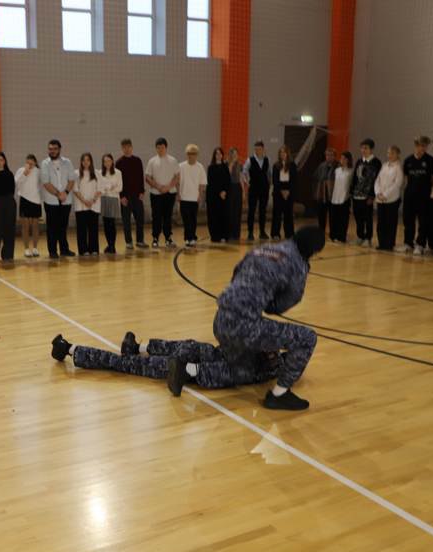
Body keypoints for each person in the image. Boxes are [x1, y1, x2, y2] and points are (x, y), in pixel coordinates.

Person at [212, 226, 325, 410]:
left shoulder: (265, 248)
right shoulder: (298, 263)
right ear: (313, 251)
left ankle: (187, 369)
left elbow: (237, 273)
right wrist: (266, 303)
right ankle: (279, 395)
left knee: (244, 371)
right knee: (307, 338)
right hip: (244, 327)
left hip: (221, 319)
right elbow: (285, 302)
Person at [51, 331, 281, 396]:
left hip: (186, 369)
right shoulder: (269, 358)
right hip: (207, 354)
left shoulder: (252, 369)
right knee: (186, 345)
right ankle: (138, 347)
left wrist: (186, 371)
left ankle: (69, 349)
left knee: (124, 363)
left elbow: (218, 374)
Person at [40, 139, 76, 258]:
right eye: (50, 149)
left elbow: (71, 179)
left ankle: (64, 250)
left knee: (63, 227)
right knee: (52, 228)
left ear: (59, 149)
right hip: (51, 201)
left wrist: (65, 192)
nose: (52, 151)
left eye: (55, 149)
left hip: (66, 199)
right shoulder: (44, 164)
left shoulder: (68, 162)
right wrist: (58, 194)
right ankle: (53, 251)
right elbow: (46, 182)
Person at [402, 136, 433, 255]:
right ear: (416, 145)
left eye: (425, 146)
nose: (423, 148)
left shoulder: (431, 161)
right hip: (409, 195)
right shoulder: (408, 160)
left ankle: (420, 244)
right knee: (408, 220)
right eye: (421, 146)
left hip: (424, 196)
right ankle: (408, 243)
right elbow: (406, 178)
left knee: (423, 221)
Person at [145, 137, 180, 248]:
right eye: (158, 147)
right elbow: (147, 177)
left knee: (168, 216)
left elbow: (177, 177)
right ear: (156, 148)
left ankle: (168, 238)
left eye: (162, 147)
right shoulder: (152, 161)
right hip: (156, 194)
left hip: (170, 193)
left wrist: (168, 187)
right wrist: (158, 186)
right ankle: (155, 238)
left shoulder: (173, 160)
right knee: (156, 216)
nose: (160, 149)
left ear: (166, 147)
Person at [115, 138, 147, 249]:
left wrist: (142, 191)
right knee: (126, 221)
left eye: (128, 147)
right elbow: (117, 181)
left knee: (140, 219)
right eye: (124, 147)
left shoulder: (137, 160)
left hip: (137, 196)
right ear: (122, 148)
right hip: (125, 197)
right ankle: (128, 242)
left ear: (131, 147)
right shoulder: (119, 163)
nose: (126, 149)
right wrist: (121, 196)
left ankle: (140, 241)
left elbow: (141, 177)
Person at [350, 138, 381, 246]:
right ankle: (360, 236)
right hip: (357, 194)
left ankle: (368, 238)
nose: (363, 150)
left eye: (366, 148)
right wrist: (352, 191)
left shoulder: (376, 162)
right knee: (358, 217)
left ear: (371, 149)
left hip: (367, 196)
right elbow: (355, 177)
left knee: (367, 217)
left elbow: (377, 180)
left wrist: (372, 195)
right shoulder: (359, 161)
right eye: (362, 148)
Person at [374, 145, 404, 251]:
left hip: (392, 200)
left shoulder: (398, 167)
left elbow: (397, 184)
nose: (389, 155)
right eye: (388, 153)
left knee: (390, 223)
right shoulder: (384, 165)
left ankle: (389, 244)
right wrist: (378, 193)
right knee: (381, 223)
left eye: (392, 153)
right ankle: (381, 243)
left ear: (397, 154)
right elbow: (377, 180)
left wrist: (385, 195)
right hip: (380, 199)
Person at [178, 144, 207, 247]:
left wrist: (200, 195)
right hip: (183, 197)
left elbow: (202, 183)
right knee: (186, 219)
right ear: (186, 154)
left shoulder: (200, 167)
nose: (191, 155)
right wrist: (178, 194)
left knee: (193, 219)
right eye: (189, 153)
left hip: (194, 198)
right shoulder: (181, 166)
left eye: (193, 153)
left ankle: (193, 237)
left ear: (197, 155)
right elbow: (177, 182)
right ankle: (187, 238)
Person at [73, 152, 101, 256]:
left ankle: (94, 249)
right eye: (84, 160)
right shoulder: (76, 173)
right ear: (81, 162)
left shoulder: (97, 173)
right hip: (81, 206)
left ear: (91, 161)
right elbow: (75, 189)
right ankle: (83, 249)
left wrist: (92, 200)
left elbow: (100, 188)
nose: (86, 162)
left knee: (93, 228)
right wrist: (84, 201)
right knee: (81, 229)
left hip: (94, 205)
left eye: (88, 160)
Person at [16, 154, 42, 257]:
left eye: (32, 162)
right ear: (26, 162)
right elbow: (17, 183)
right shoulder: (21, 170)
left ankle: (35, 248)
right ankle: (26, 249)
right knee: (25, 226)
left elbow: (43, 184)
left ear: (35, 162)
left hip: (36, 201)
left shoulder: (39, 172)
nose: (30, 164)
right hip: (24, 200)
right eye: (28, 162)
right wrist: (25, 173)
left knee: (35, 226)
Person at [244, 141, 271, 241]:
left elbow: (269, 173)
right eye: (256, 149)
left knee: (263, 211)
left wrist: (269, 184)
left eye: (259, 149)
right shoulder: (250, 160)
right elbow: (244, 171)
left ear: (263, 149)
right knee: (251, 211)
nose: (257, 151)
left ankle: (262, 232)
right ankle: (250, 233)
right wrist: (247, 182)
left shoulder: (267, 160)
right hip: (253, 189)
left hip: (264, 189)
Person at [271, 145, 298, 240]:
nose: (282, 154)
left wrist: (288, 191)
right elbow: (275, 180)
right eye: (281, 152)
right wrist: (282, 191)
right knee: (277, 214)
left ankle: (289, 233)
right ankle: (275, 233)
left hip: (289, 191)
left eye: (284, 152)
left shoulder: (292, 165)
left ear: (287, 154)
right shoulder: (276, 165)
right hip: (278, 191)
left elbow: (294, 180)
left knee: (288, 214)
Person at [99, 153, 123, 254]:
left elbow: (119, 187)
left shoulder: (118, 172)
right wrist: (110, 188)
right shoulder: (100, 173)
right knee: (106, 224)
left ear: (112, 161)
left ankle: (113, 246)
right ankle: (109, 244)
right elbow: (100, 187)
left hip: (113, 199)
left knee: (112, 223)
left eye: (109, 161)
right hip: (103, 199)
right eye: (105, 161)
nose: (107, 163)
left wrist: (108, 188)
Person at [206, 146, 230, 243]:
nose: (218, 155)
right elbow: (211, 182)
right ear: (214, 155)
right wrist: (219, 192)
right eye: (217, 153)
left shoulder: (225, 167)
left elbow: (228, 181)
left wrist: (224, 191)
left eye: (220, 153)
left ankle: (223, 235)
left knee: (223, 216)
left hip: (223, 196)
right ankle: (215, 236)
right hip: (213, 196)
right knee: (214, 216)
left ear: (222, 155)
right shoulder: (211, 167)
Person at [329, 151, 354, 243]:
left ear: (348, 160)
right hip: (335, 197)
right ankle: (333, 236)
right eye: (341, 158)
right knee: (334, 218)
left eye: (344, 158)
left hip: (344, 198)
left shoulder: (351, 171)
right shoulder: (337, 170)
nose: (342, 160)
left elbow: (351, 185)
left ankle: (341, 237)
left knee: (343, 219)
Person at [313, 148, 338, 237]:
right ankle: (321, 232)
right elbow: (315, 177)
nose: (329, 157)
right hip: (322, 194)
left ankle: (333, 233)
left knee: (333, 215)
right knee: (321, 215)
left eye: (331, 155)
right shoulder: (322, 165)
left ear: (334, 156)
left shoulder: (338, 166)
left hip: (333, 194)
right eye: (327, 155)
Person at [227, 147, 245, 242]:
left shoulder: (240, 164)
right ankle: (229, 234)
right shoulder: (226, 163)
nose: (235, 156)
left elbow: (241, 177)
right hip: (230, 187)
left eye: (236, 154)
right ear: (230, 155)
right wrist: (232, 163)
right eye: (233, 154)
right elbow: (228, 174)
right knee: (230, 211)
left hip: (238, 188)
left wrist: (244, 192)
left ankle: (236, 234)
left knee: (237, 212)